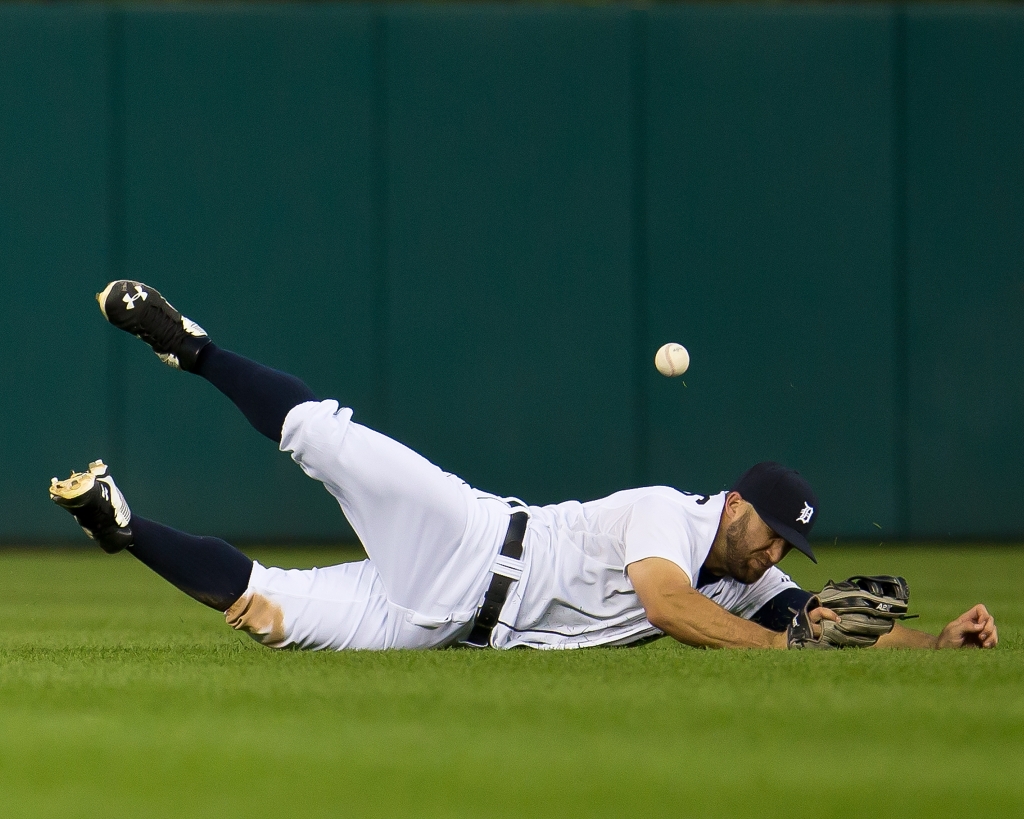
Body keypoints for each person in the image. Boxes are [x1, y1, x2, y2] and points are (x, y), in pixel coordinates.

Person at [50, 281, 998, 652]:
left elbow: (834, 635)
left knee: (266, 609)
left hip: (438, 622)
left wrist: (938, 647)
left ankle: (120, 525)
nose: (775, 556)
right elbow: (669, 605)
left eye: (787, 547)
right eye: (773, 535)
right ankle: (193, 346)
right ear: (739, 504)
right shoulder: (672, 516)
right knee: (325, 437)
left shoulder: (747, 582)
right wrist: (782, 649)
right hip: (467, 535)